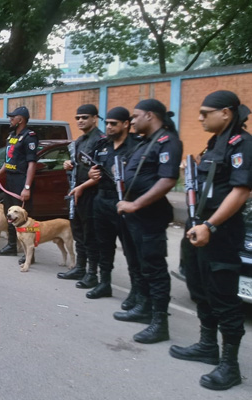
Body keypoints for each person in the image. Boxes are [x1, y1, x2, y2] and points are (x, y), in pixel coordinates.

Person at [170, 90, 251, 391]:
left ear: (226, 113)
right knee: (200, 289)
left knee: (224, 299)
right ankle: (207, 346)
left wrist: (211, 226)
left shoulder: (242, 144)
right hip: (197, 229)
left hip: (220, 234)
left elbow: (241, 191)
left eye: (206, 112)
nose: (200, 117)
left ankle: (229, 366)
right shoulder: (214, 144)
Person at [113, 99, 182, 344]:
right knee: (140, 264)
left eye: (136, 116)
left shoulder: (168, 142)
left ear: (150, 115)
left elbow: (167, 180)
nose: (132, 121)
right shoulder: (146, 142)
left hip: (150, 216)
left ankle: (159, 322)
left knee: (154, 269)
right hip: (134, 216)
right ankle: (143, 308)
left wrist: (135, 204)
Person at [83, 107, 140, 301]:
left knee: (130, 248)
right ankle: (104, 283)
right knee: (103, 245)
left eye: (113, 123)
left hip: (125, 200)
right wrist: (92, 174)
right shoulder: (103, 145)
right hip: (102, 199)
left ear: (126, 124)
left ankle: (136, 291)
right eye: (107, 123)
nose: (109, 127)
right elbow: (93, 167)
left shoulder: (136, 146)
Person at [58, 104, 105, 289]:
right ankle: (80, 267)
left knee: (90, 234)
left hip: (93, 194)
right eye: (77, 118)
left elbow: (101, 171)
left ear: (94, 118)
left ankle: (92, 273)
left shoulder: (101, 140)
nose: (80, 121)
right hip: (77, 192)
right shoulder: (79, 141)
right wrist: (68, 165)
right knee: (78, 232)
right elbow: (78, 166)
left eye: (84, 117)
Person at [0, 106, 37, 262]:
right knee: (9, 214)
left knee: (23, 217)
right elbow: (8, 160)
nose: (10, 120)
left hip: (21, 180)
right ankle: (12, 245)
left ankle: (29, 253)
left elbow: (32, 164)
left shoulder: (29, 137)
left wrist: (27, 187)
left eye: (13, 117)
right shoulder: (11, 136)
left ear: (21, 120)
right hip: (9, 179)